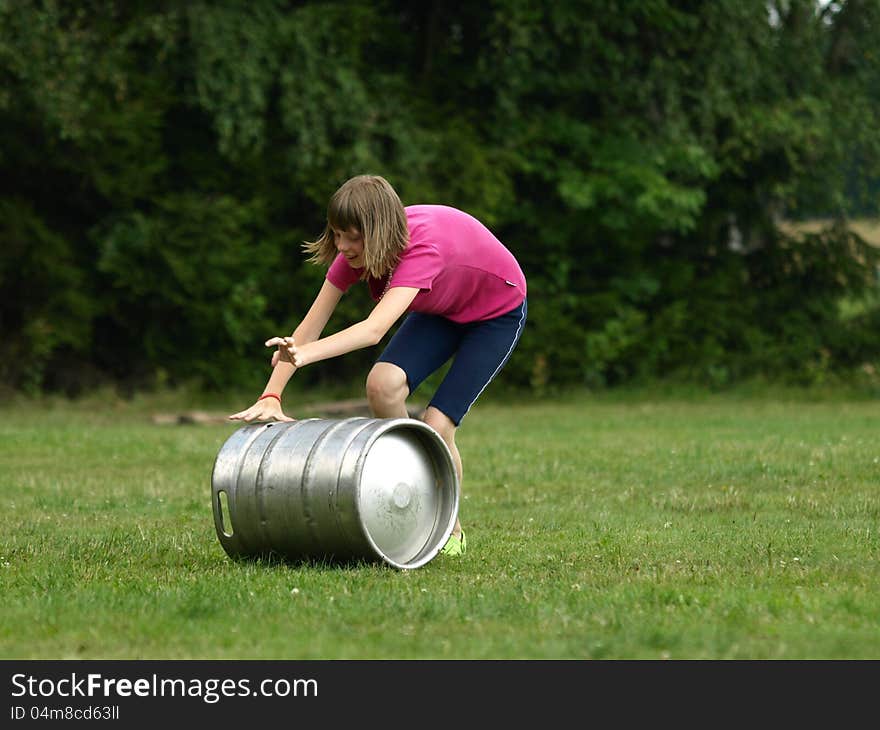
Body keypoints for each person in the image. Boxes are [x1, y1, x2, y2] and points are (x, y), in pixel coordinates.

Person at [229, 174, 527, 556]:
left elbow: (373, 330)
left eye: (352, 236)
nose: (343, 246)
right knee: (382, 384)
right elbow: (308, 328)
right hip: (442, 307)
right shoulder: (355, 253)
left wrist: (306, 355)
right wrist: (273, 393)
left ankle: (448, 531)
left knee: (437, 424)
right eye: (337, 234)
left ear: (379, 231)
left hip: (495, 312)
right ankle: (410, 495)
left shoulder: (423, 250)